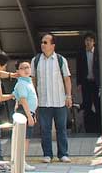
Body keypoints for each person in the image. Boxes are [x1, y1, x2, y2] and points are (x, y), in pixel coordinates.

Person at [32, 33, 72, 164]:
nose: (42, 45)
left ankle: (63, 154)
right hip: (43, 101)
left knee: (61, 128)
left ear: (53, 45)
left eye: (45, 42)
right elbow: (33, 79)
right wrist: (34, 96)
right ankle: (47, 154)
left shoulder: (61, 60)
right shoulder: (36, 60)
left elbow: (66, 79)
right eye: (42, 42)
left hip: (59, 100)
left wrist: (69, 96)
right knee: (45, 129)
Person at [12, 61, 38, 171]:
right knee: (24, 139)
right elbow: (23, 100)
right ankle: (21, 162)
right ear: (17, 71)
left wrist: (33, 114)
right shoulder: (22, 83)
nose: (26, 70)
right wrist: (29, 116)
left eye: (27, 67)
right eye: (22, 68)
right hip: (24, 113)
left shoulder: (28, 81)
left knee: (26, 138)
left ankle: (22, 161)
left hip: (28, 112)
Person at [77, 32, 100, 133]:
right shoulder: (81, 53)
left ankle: (99, 128)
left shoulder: (98, 53)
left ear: (94, 42)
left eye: (90, 40)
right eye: (86, 40)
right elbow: (79, 70)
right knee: (87, 105)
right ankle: (88, 129)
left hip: (97, 83)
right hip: (86, 83)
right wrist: (79, 83)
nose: (88, 42)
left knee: (98, 105)